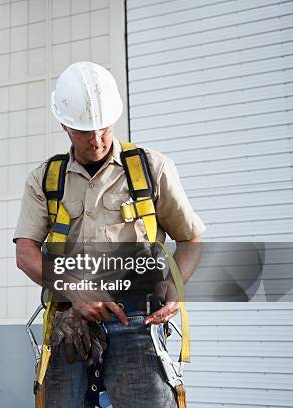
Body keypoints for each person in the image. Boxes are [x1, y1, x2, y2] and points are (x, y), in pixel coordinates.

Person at [13, 61, 205, 407]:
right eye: (84, 131)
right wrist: (75, 291)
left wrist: (175, 286)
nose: (97, 139)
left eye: (104, 127)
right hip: (68, 322)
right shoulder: (45, 180)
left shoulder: (151, 170)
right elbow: (25, 254)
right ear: (64, 125)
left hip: (137, 319)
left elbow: (191, 239)